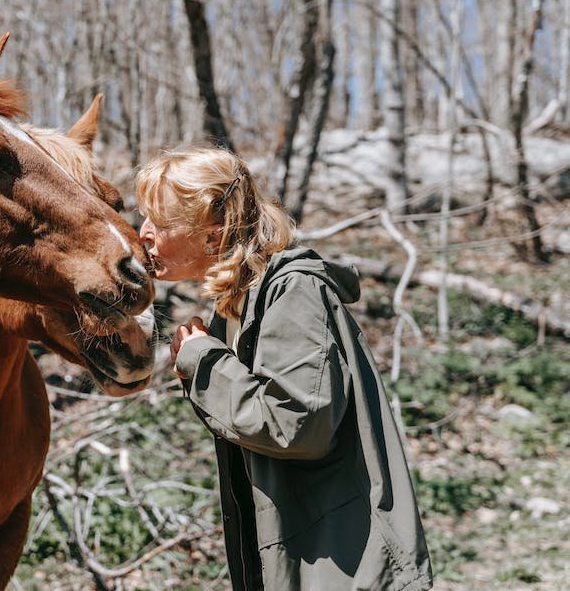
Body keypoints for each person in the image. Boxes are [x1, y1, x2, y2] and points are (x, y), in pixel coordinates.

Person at [136, 147, 432, 591]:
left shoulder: (293, 291)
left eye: (158, 223)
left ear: (213, 237)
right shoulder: (236, 303)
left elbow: (296, 424)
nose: (142, 235)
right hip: (310, 553)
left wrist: (204, 361)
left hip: (347, 564)